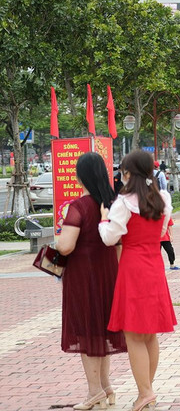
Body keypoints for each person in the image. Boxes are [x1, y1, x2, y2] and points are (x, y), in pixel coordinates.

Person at [99, 150, 176, 411]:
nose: (122, 175)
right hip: (154, 266)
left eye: (123, 170)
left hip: (132, 269)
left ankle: (145, 393)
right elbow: (164, 230)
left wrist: (102, 220)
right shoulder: (163, 198)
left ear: (130, 173)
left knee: (133, 336)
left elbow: (110, 238)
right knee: (150, 334)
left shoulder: (122, 203)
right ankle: (147, 390)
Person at [55, 152, 127, 410]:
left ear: (80, 176)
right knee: (101, 331)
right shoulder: (114, 203)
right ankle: (107, 387)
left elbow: (65, 246)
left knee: (87, 333)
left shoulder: (78, 207)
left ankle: (94, 391)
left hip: (84, 277)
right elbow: (118, 244)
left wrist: (55, 242)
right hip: (109, 273)